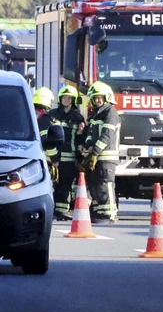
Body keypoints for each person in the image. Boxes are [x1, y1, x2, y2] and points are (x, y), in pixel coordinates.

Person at [77, 81, 121, 224]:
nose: (97, 100)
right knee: (94, 185)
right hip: (97, 156)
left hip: (106, 157)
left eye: (100, 97)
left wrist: (94, 152)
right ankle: (98, 213)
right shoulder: (95, 114)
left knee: (105, 185)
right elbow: (90, 135)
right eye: (95, 98)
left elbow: (106, 136)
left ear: (106, 97)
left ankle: (109, 215)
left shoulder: (110, 113)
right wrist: (86, 147)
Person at [49, 85, 86, 221]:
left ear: (73, 100)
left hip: (69, 158)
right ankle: (52, 209)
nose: (66, 100)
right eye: (64, 97)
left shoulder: (77, 117)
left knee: (66, 184)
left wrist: (80, 154)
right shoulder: (52, 114)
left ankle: (62, 210)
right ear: (60, 98)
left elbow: (80, 139)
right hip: (53, 157)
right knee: (53, 184)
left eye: (69, 98)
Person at [32, 87, 61, 181]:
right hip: (42, 160)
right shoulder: (44, 118)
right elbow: (47, 141)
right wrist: (54, 159)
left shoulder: (29, 114)